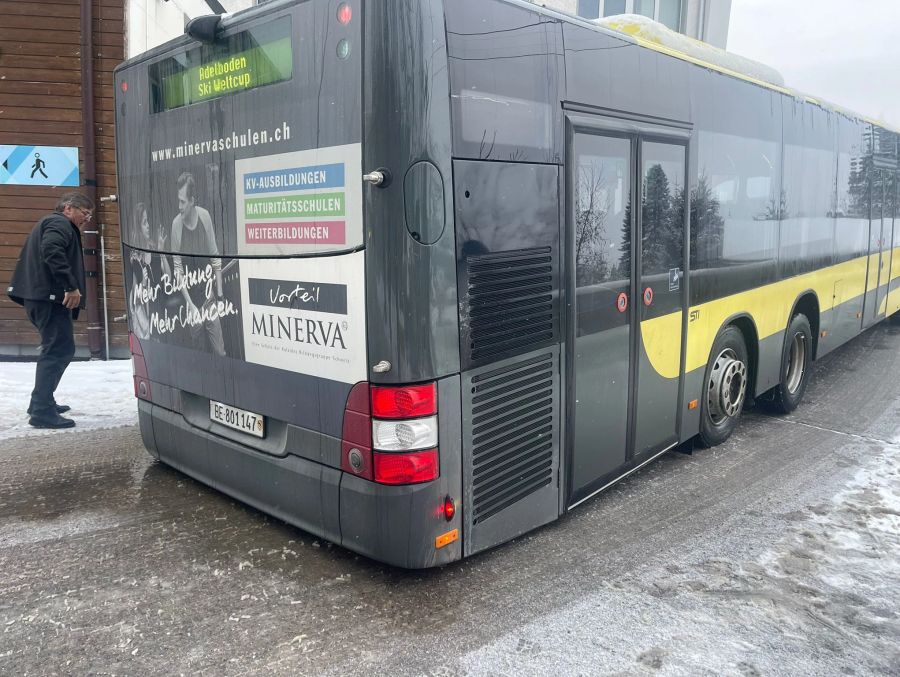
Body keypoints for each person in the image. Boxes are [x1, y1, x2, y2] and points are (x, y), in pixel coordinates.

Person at [6, 192, 92, 429]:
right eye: (85, 213)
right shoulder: (59, 223)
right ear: (68, 208)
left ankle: (40, 402)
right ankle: (42, 412)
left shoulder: (53, 223)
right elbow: (52, 250)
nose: (87, 219)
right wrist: (70, 286)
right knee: (58, 349)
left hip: (40, 297)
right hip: (49, 299)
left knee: (57, 348)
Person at [170, 172, 226, 356]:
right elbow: (177, 268)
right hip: (191, 300)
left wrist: (219, 295)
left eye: (183, 202)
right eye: (178, 201)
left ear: (192, 200)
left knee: (219, 351)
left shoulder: (205, 217)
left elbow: (214, 255)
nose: (179, 207)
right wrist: (190, 305)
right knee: (199, 352)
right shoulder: (176, 226)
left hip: (209, 298)